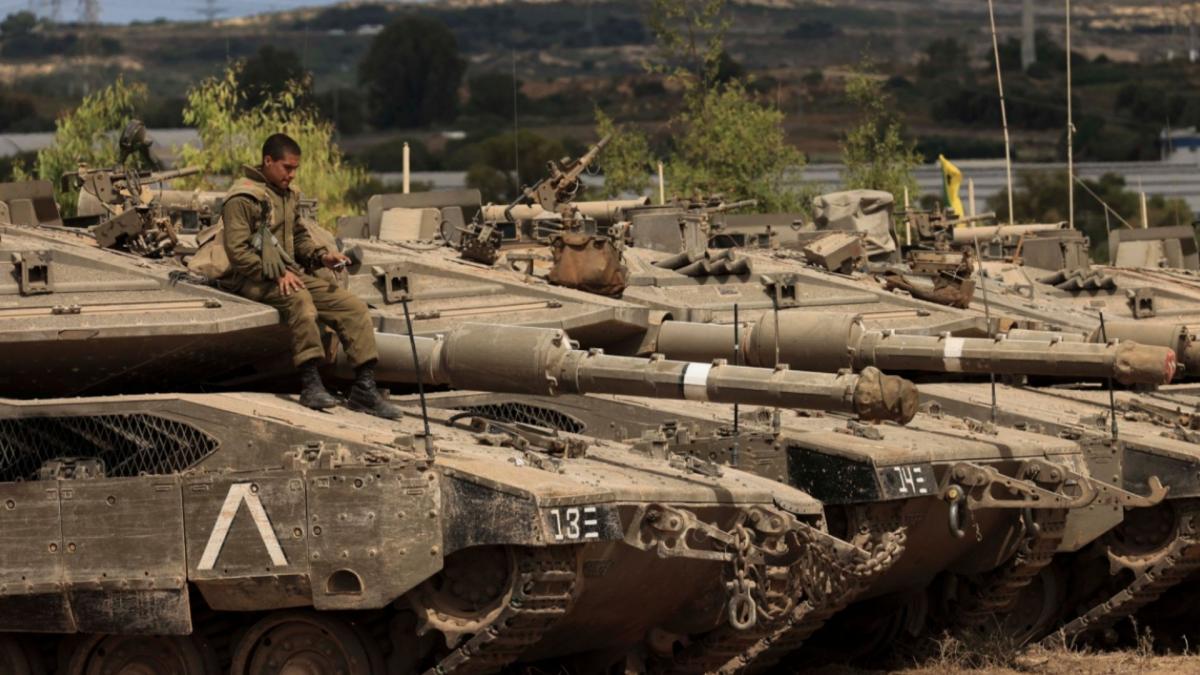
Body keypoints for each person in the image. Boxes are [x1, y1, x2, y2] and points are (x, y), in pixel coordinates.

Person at [221, 133, 400, 419]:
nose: (291, 175)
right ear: (268, 161)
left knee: (352, 307)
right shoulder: (242, 198)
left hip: (287, 273)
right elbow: (238, 253)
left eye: (295, 169)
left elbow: (298, 237)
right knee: (301, 302)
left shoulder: (287, 194)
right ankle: (310, 382)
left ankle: (365, 389)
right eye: (286, 168)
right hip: (251, 279)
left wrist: (322, 257)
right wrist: (276, 274)